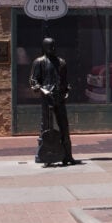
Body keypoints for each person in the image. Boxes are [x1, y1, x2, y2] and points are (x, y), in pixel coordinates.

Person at [29, 37, 77, 166]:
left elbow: (65, 81)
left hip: (59, 98)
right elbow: (34, 81)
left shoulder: (61, 62)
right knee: (46, 127)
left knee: (64, 127)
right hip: (47, 98)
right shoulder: (39, 62)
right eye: (50, 46)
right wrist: (43, 90)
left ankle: (68, 155)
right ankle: (47, 156)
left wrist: (66, 91)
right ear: (45, 47)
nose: (53, 49)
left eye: (54, 46)